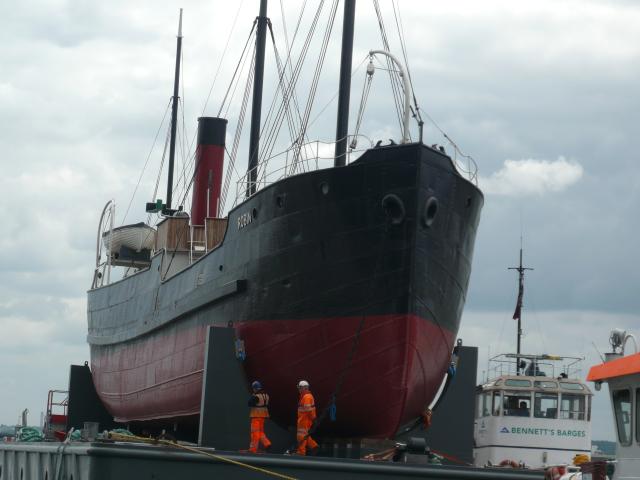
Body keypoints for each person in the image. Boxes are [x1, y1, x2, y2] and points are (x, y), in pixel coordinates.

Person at [248, 380, 271, 453]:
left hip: (256, 416)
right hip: (263, 416)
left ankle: (253, 449)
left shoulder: (256, 396)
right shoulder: (266, 395)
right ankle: (267, 443)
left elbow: (249, 403)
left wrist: (253, 396)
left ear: (254, 388)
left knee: (254, 433)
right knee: (261, 432)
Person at [296, 380, 319, 455]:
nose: (299, 389)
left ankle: (301, 453)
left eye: (300, 388)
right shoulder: (305, 396)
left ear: (304, 388)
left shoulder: (307, 397)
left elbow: (308, 410)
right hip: (303, 420)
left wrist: (313, 419)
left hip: (304, 420)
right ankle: (314, 446)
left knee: (301, 436)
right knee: (305, 435)